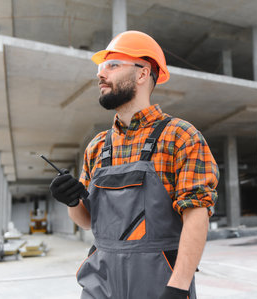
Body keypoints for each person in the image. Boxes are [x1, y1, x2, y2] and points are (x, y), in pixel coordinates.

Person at [49, 30, 219, 299]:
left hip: (158, 281)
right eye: (101, 67)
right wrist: (71, 201)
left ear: (142, 74)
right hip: (100, 282)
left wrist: (178, 286)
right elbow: (87, 222)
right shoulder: (97, 147)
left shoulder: (180, 137)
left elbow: (196, 217)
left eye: (113, 65)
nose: (100, 75)